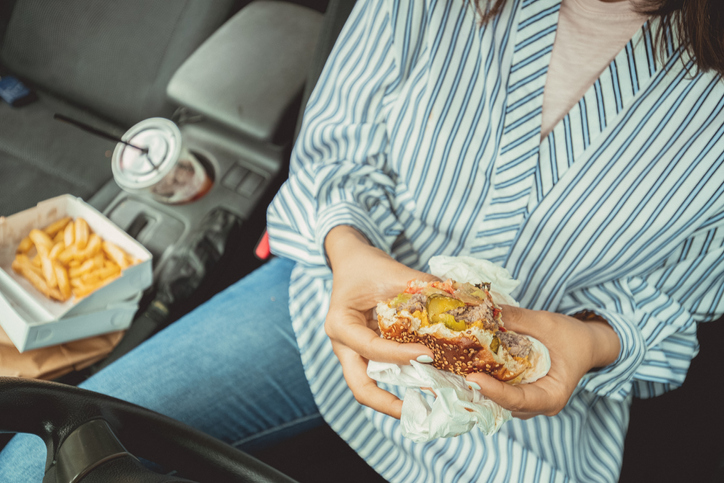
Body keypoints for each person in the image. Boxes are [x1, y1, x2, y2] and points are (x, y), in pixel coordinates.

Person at [1, 0, 723, 481]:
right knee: (44, 453)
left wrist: (592, 343)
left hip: (531, 428)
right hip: (320, 309)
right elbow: (334, 152)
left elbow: (673, 307)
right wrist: (349, 252)